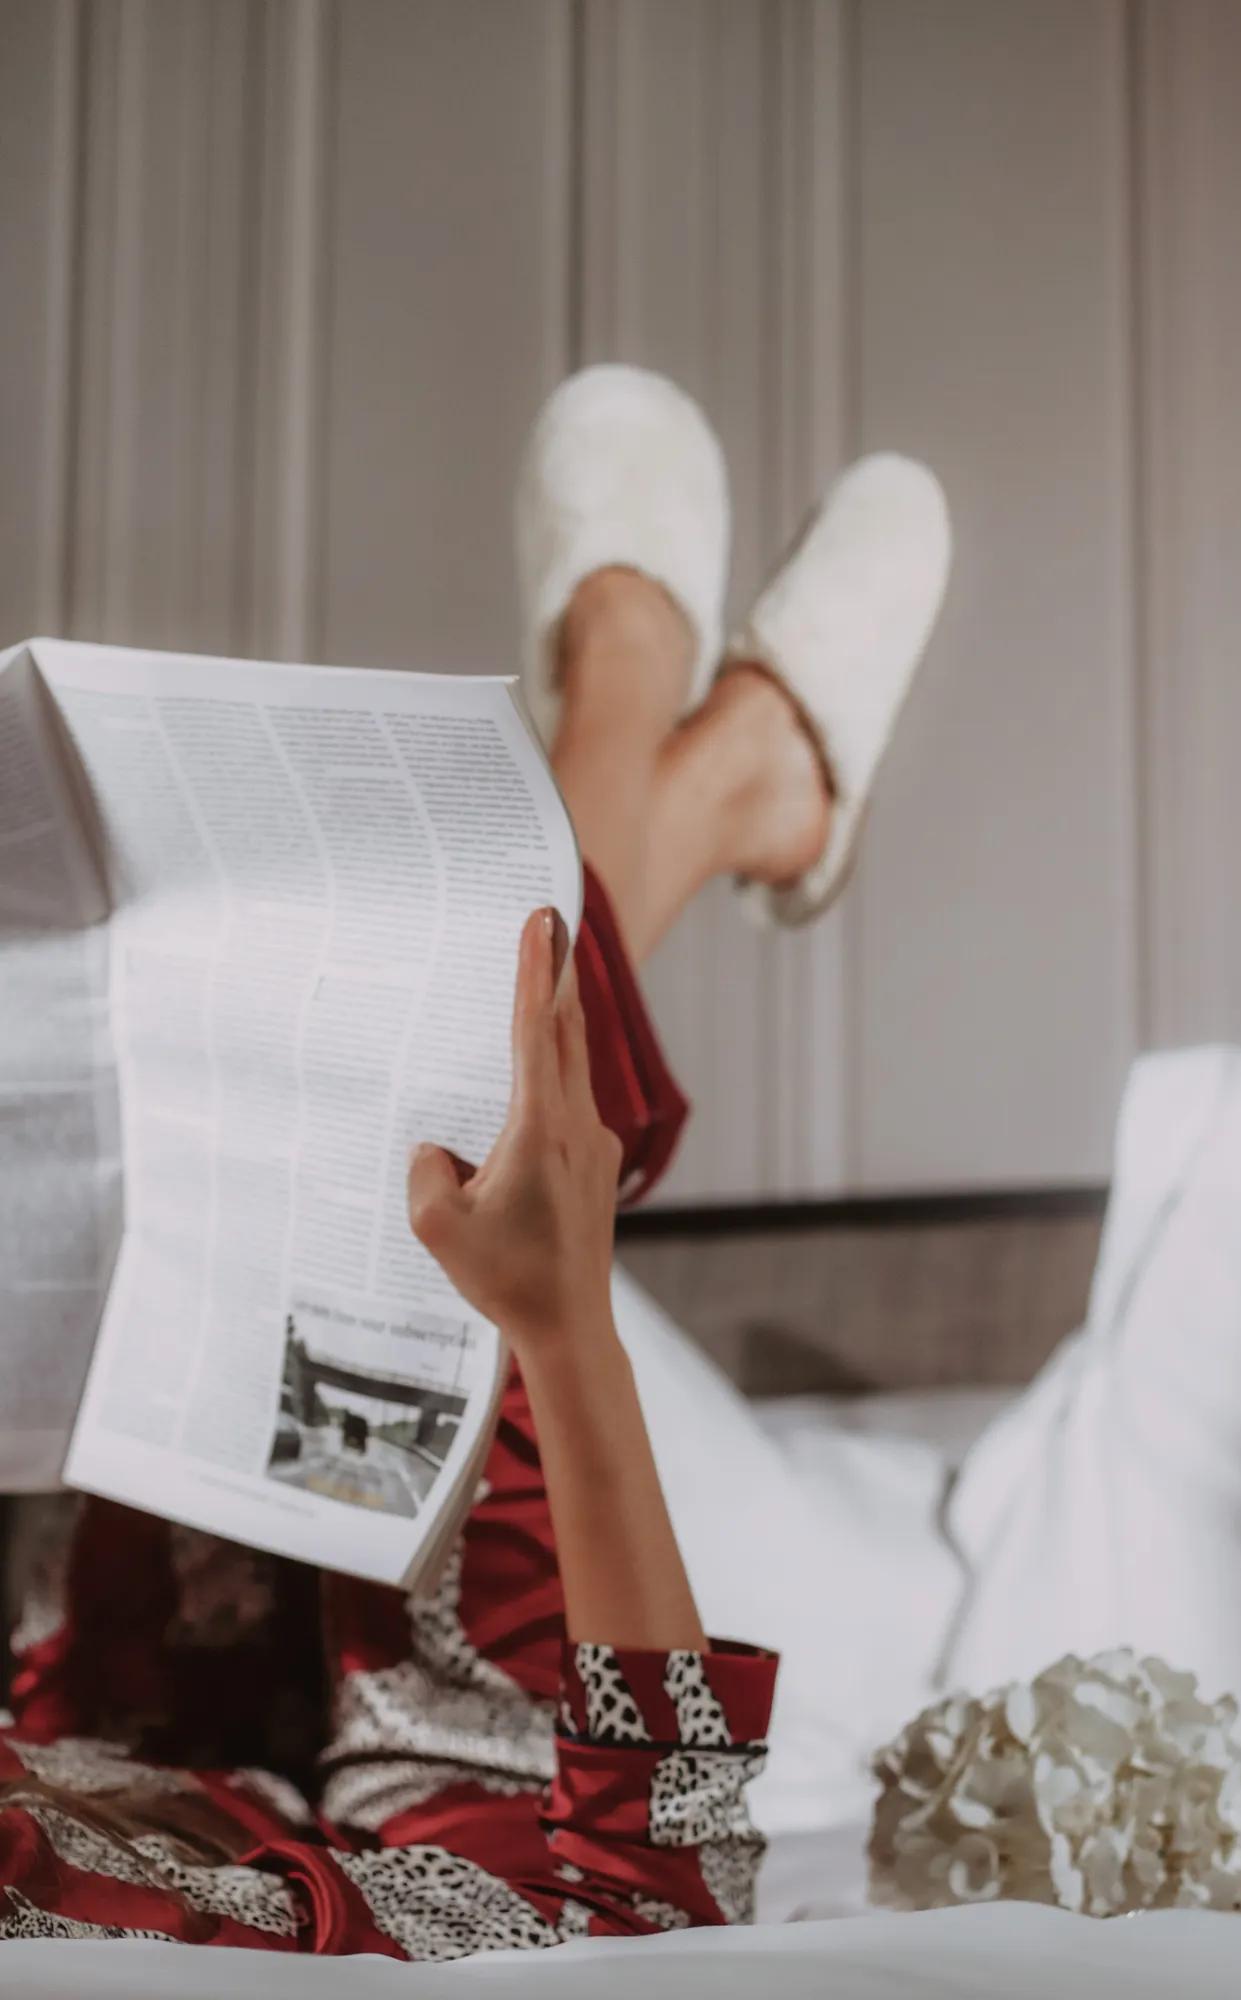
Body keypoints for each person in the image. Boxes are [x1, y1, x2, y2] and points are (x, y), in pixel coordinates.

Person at [0, 367, 950, 1954]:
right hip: (396, 1790)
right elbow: (664, 1895)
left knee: (262, 1100)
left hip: (121, 1679)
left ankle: (713, 761)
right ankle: (673, 740)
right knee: (420, 1168)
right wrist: (567, 1331)